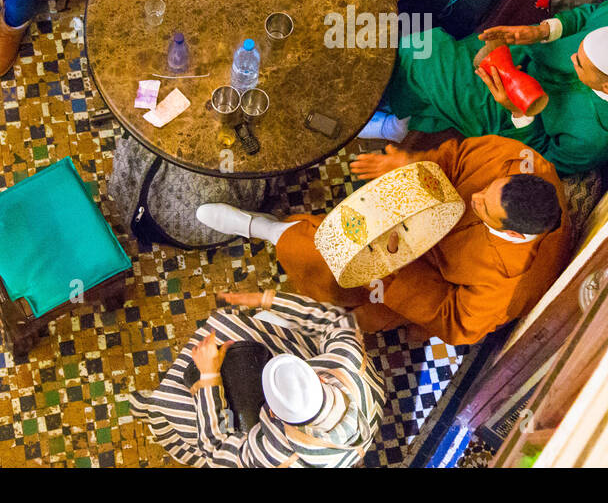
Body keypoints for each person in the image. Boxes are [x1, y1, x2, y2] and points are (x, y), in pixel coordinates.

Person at [197, 135, 571, 347]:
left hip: (430, 281)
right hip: (427, 214)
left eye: (484, 208)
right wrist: (412, 163)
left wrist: (388, 272)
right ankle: (262, 228)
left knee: (351, 298)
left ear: (513, 234)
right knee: (331, 244)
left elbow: (456, 322)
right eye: (486, 189)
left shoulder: (507, 284)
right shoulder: (517, 161)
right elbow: (454, 160)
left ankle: (300, 318)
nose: (475, 198)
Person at [372, 1, 608, 178]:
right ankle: (394, 115)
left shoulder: (597, 140)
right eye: (579, 51)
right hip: (526, 60)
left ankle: (379, 108)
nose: (572, 56)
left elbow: (539, 162)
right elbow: (590, 15)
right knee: (429, 56)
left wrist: (516, 112)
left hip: (513, 115)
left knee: (422, 57)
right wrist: (541, 31)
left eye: (580, 64)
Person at [129, 290, 384, 467]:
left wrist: (207, 378)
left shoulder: (278, 457)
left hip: (265, 444)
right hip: (343, 451)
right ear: (320, 379)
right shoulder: (351, 364)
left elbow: (217, 451)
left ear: (273, 413)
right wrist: (267, 299)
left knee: (171, 403)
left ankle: (152, 407)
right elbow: (336, 321)